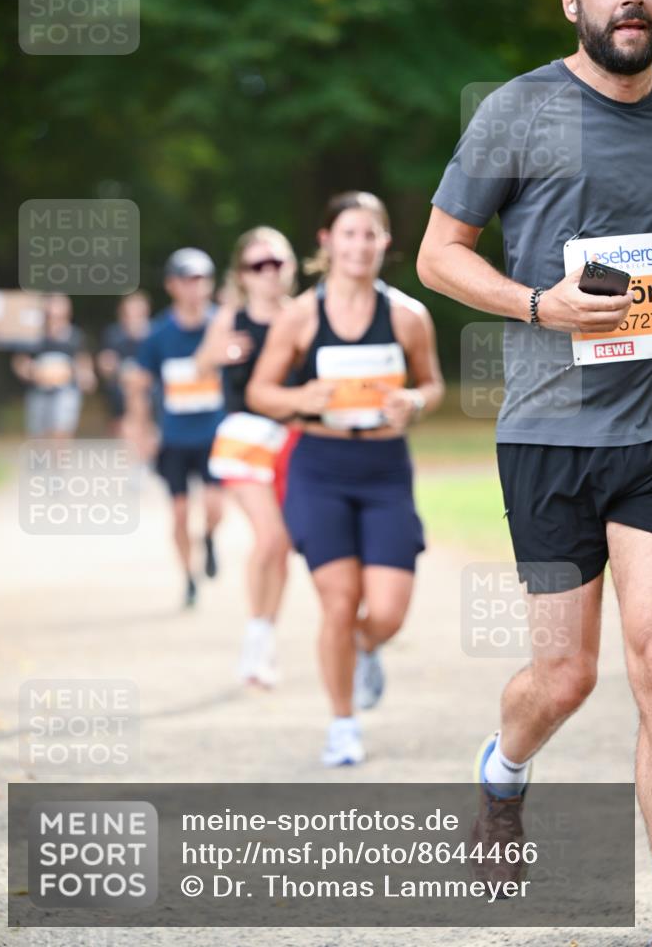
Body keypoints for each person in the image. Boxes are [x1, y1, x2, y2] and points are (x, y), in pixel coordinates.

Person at [417, 0, 652, 884]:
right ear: (570, 1)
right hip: (549, 434)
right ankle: (504, 768)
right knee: (565, 678)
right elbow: (439, 255)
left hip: (651, 434)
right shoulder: (519, 110)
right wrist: (536, 305)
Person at [248, 191, 445, 766]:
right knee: (339, 601)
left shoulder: (408, 315)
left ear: (385, 243)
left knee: (385, 611)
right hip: (320, 468)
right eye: (349, 233)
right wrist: (298, 397)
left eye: (371, 234)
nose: (360, 245)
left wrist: (413, 399)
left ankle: (364, 646)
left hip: (384, 471)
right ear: (327, 242)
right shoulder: (299, 316)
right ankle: (342, 725)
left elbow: (431, 384)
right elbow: (260, 391)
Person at [195, 227, 298, 687]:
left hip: (292, 439)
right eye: (259, 265)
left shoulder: (302, 315)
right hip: (243, 438)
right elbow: (199, 365)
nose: (269, 272)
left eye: (276, 262)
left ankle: (264, 638)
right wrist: (218, 353)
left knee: (282, 548)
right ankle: (256, 639)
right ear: (242, 274)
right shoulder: (231, 317)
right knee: (271, 537)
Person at [126, 248, 225, 609]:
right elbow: (138, 386)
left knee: (215, 508)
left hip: (215, 435)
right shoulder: (157, 335)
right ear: (172, 285)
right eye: (187, 279)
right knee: (181, 513)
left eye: (201, 279)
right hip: (175, 438)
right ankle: (188, 578)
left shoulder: (223, 326)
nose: (195, 287)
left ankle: (211, 539)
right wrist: (141, 431)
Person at [11, 293, 96, 439]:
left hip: (66, 392)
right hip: (38, 391)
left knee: (60, 434)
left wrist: (86, 376)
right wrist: (31, 371)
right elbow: (20, 361)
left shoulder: (75, 337)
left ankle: (59, 461)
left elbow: (84, 363)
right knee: (39, 438)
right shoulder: (34, 335)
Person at [97, 291, 152, 443]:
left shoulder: (153, 334)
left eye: (138, 312)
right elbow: (105, 363)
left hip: (147, 388)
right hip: (120, 387)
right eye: (130, 312)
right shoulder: (114, 334)